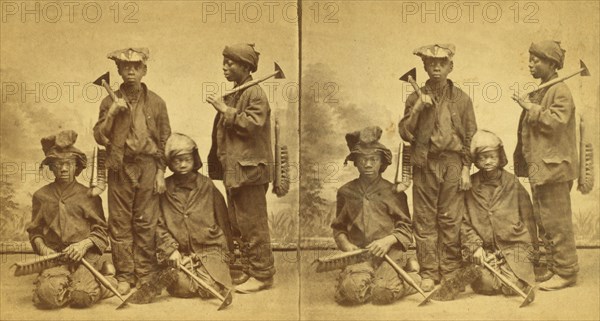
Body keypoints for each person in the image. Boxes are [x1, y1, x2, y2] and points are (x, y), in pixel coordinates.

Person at [398, 43, 477, 291]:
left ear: (450, 66)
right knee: (424, 219)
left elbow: (470, 136)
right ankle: (429, 271)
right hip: (425, 163)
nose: (436, 67)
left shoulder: (462, 99)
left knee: (451, 218)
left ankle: (451, 269)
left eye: (442, 63)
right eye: (431, 63)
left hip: (453, 163)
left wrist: (466, 168)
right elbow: (404, 132)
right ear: (424, 66)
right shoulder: (414, 97)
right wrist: (419, 107)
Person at [93, 47, 171, 294]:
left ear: (144, 70)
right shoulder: (109, 101)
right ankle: (125, 275)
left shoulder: (157, 103)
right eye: (125, 67)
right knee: (120, 222)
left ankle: (146, 273)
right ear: (118, 70)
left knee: (147, 221)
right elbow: (99, 136)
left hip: (148, 166)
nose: (130, 71)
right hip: (120, 167)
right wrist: (113, 113)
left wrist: (160, 171)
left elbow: (165, 139)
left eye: (136, 67)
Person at [206, 43, 275, 292]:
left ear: (246, 67)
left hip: (250, 173)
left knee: (253, 223)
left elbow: (253, 125)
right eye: (224, 62)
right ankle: (249, 269)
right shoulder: (238, 92)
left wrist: (225, 109)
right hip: (235, 171)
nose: (224, 67)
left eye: (230, 63)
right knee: (239, 222)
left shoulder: (254, 94)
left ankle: (263, 274)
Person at [512, 40, 579, 290]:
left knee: (557, 221)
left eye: (535, 60)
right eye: (530, 59)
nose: (530, 64)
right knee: (544, 219)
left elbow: (557, 122)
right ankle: (554, 266)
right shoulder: (543, 89)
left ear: (551, 63)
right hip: (540, 168)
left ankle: (568, 271)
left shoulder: (560, 91)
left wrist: (530, 106)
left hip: (554, 169)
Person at [27, 130, 117, 309]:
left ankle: (102, 282)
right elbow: (35, 232)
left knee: (81, 298)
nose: (64, 168)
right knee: (48, 297)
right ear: (51, 167)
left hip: (86, 257)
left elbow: (101, 232)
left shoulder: (89, 196)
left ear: (78, 166)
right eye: (58, 164)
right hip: (56, 258)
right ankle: (68, 282)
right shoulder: (41, 196)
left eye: (69, 163)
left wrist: (83, 245)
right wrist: (44, 249)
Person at [330, 126, 420, 305]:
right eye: (363, 159)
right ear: (355, 161)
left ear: (382, 163)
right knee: (350, 294)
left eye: (373, 159)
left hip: (390, 253)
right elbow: (339, 229)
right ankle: (364, 278)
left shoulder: (393, 192)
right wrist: (346, 245)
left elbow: (406, 228)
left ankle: (410, 277)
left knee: (382, 294)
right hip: (360, 255)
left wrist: (387, 241)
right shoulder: (346, 192)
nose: (368, 164)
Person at [460, 130, 536, 299]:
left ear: (500, 157)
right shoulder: (470, 186)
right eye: (482, 158)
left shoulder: (512, 183)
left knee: (514, 285)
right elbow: (463, 222)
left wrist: (533, 251)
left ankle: (510, 272)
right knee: (486, 285)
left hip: (515, 246)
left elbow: (528, 217)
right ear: (476, 161)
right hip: (485, 250)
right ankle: (492, 270)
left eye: (492, 157)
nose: (487, 161)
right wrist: (475, 247)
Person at [156, 133, 233, 299]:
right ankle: (193, 276)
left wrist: (228, 254)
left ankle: (206, 279)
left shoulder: (207, 185)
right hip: (180, 254)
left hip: (210, 249)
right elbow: (158, 224)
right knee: (181, 287)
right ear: (170, 163)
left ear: (194, 159)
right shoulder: (165, 189)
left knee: (211, 287)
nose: (183, 164)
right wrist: (171, 250)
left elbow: (223, 220)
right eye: (177, 160)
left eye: (187, 159)